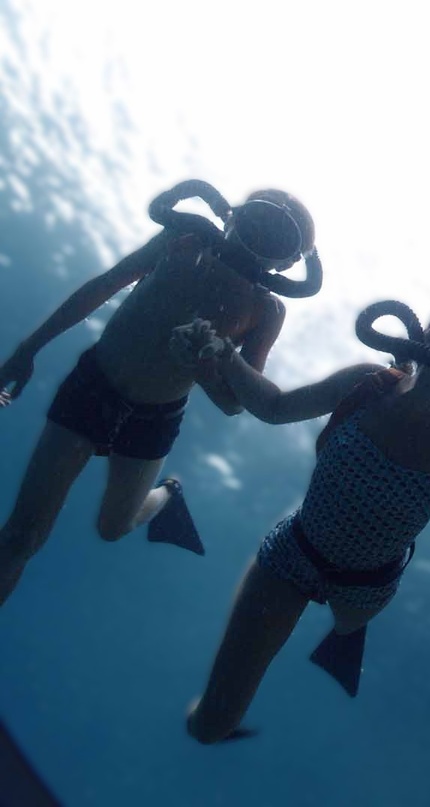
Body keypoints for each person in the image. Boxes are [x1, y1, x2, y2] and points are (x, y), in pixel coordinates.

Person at [178, 298, 430, 742]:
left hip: (367, 588)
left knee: (347, 624)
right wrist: (225, 354)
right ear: (429, 336)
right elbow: (275, 407)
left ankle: (345, 634)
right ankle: (213, 718)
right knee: (211, 727)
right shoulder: (365, 384)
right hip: (293, 555)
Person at [0, 179, 320, 604]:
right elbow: (105, 285)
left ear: (286, 263)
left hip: (154, 418)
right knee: (21, 537)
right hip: (93, 386)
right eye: (258, 220)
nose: (258, 238)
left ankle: (168, 493)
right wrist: (28, 348)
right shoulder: (180, 240)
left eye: (276, 237)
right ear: (233, 215)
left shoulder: (266, 308)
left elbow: (234, 402)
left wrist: (204, 370)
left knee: (113, 527)